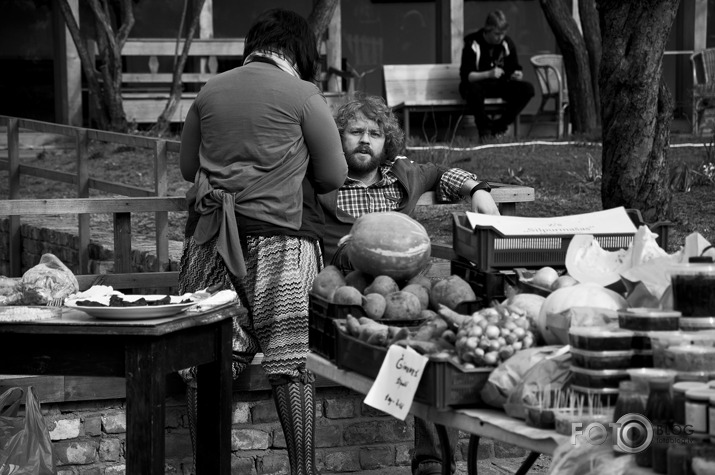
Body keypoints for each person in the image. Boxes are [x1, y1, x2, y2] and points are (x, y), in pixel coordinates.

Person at [177, 8, 348, 475]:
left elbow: (189, 170)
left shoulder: (209, 91)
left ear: (252, 46)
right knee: (290, 361)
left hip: (210, 241)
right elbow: (334, 176)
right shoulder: (304, 95)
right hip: (283, 245)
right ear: (301, 52)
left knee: (206, 364)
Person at [318, 94, 500, 475]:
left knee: (430, 346)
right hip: (351, 291)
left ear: (388, 142)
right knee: (402, 339)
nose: (365, 140)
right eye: (354, 132)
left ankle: (433, 458)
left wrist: (478, 189)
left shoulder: (402, 174)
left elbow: (441, 173)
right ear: (339, 137)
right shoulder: (323, 181)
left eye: (374, 133)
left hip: (406, 292)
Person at [459, 9, 534, 140]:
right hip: (478, 85)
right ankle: (485, 129)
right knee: (473, 91)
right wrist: (489, 74)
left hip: (499, 85)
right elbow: (467, 76)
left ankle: (500, 126)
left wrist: (517, 74)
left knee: (527, 89)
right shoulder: (473, 43)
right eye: (497, 34)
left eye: (503, 34)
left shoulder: (506, 43)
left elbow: (514, 67)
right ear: (488, 30)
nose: (500, 37)